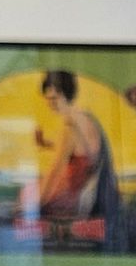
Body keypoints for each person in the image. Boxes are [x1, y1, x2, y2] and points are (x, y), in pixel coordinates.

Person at [30, 68, 120, 248]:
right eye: (48, 99)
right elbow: (81, 151)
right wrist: (47, 144)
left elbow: (56, 168)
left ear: (66, 94)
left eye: (54, 99)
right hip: (90, 195)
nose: (50, 104)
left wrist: (37, 205)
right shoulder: (86, 118)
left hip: (74, 199)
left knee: (27, 197)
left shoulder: (70, 125)